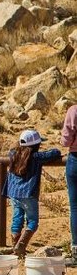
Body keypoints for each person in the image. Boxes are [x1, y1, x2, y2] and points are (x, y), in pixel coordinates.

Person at [6, 129, 61, 257]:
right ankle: (22, 244)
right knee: (32, 221)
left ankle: (15, 245)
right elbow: (55, 153)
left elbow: (14, 148)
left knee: (17, 218)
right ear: (37, 145)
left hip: (14, 192)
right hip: (29, 193)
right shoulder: (36, 157)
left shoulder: (13, 154)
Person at [59, 104, 77, 266]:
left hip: (76, 159)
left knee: (76, 207)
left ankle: (76, 252)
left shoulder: (74, 110)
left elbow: (66, 140)